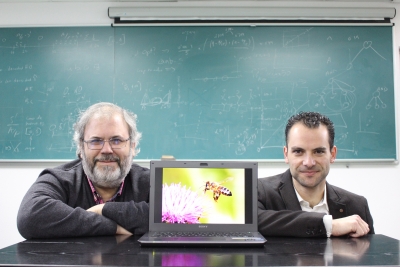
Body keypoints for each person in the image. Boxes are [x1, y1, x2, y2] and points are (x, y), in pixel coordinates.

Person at [17, 102, 149, 239]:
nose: (106, 150)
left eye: (116, 140)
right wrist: (111, 227)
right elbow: (30, 217)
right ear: (81, 148)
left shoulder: (151, 181)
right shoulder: (59, 179)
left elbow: (171, 218)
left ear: (132, 146)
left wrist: (103, 209)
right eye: (96, 141)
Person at [258, 111, 374, 238]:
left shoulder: (357, 206)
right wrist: (329, 225)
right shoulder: (259, 191)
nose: (308, 162)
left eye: (318, 151)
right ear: (286, 155)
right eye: (298, 151)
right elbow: (249, 222)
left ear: (333, 154)